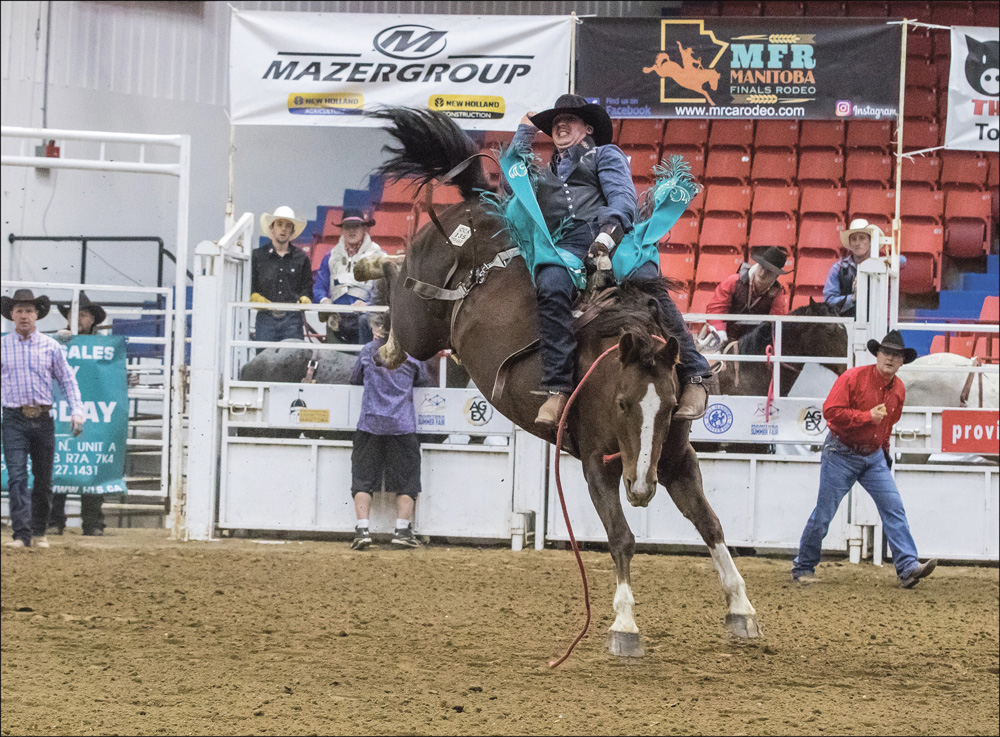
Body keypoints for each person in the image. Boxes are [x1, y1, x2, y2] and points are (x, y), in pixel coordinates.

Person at [511, 94, 713, 427]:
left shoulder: (606, 154)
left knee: (649, 288)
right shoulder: (543, 173)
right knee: (550, 285)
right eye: (555, 121)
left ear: (587, 128)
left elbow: (621, 196)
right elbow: (513, 184)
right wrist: (523, 134)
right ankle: (558, 389)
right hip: (564, 246)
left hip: (613, 235)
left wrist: (607, 234)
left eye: (569, 119)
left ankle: (695, 375)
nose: (560, 124)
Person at [792, 331, 937, 588]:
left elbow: (888, 423)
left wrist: (884, 450)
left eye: (896, 355)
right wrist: (866, 417)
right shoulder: (853, 378)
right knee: (824, 514)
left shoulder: (898, 389)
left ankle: (907, 567)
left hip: (872, 456)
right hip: (841, 453)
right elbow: (830, 412)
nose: (890, 358)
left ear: (902, 361)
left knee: (893, 507)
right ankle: (803, 566)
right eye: (887, 353)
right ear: (877, 355)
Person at [1, 289, 85, 549]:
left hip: (42, 417)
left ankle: (39, 531)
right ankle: (22, 534)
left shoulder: (51, 347)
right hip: (13, 416)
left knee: (43, 477)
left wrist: (77, 411)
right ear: (12, 316)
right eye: (19, 311)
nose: (24, 316)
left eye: (29, 311)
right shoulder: (2, 346)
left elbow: (68, 380)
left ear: (37, 315)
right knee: (16, 476)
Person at [348, 312, 432, 550]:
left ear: (381, 328)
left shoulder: (367, 351)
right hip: (402, 426)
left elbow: (355, 379)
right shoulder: (413, 355)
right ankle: (402, 530)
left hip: (370, 424)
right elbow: (423, 382)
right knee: (407, 482)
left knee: (362, 479)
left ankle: (362, 529)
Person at [49, 292, 107, 536]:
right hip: (64, 409)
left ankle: (93, 522)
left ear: (93, 319)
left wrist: (125, 379)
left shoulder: (106, 346)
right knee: (58, 461)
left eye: (83, 314)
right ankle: (54, 520)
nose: (78, 319)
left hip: (93, 412)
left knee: (89, 463)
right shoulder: (54, 341)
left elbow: (112, 379)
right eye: (74, 314)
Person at [312, 208, 385, 345]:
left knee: (365, 363)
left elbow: (387, 295)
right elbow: (318, 288)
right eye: (348, 227)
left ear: (364, 229)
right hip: (337, 322)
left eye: (356, 226)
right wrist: (323, 301)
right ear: (342, 230)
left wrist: (368, 305)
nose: (352, 231)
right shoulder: (330, 257)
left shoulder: (379, 257)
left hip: (367, 324)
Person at [250, 206, 313, 343]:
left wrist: (305, 297)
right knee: (264, 361)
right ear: (271, 228)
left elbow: (307, 288)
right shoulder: (257, 256)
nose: (283, 229)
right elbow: (251, 287)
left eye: (288, 226)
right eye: (279, 224)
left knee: (293, 361)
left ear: (292, 231)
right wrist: (255, 297)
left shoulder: (302, 258)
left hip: (292, 319)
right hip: (265, 318)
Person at [705, 246, 791, 345]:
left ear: (776, 276)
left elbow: (774, 326)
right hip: (724, 339)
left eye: (769, 271)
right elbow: (716, 309)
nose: (762, 273)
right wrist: (720, 332)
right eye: (762, 267)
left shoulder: (776, 296)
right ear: (758, 265)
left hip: (754, 345)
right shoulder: (733, 282)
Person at [823, 218, 906, 317]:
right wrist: (853, 298)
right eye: (854, 239)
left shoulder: (880, 264)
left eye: (862, 238)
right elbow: (828, 302)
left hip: (876, 322)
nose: (857, 243)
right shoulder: (838, 268)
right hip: (845, 326)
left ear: (870, 242)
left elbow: (902, 260)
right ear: (850, 244)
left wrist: (881, 262)